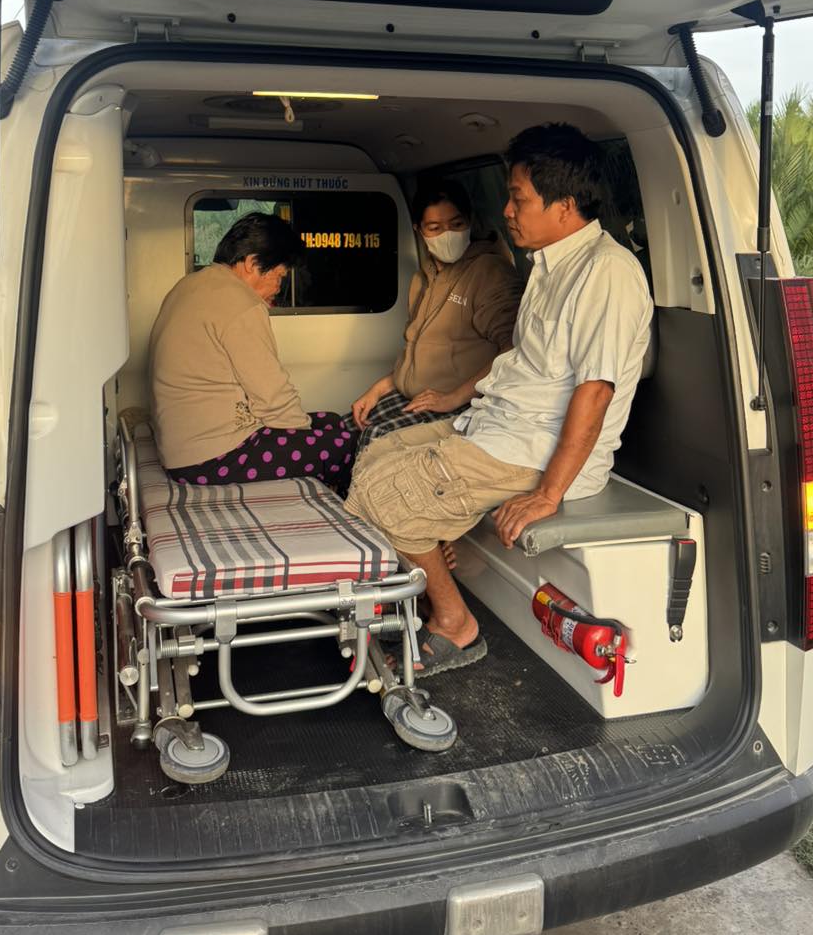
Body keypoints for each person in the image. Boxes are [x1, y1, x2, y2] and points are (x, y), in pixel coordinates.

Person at [346, 123, 653, 674]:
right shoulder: (547, 265)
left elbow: (596, 391)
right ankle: (427, 569)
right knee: (372, 460)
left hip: (535, 449)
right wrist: (454, 399)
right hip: (495, 424)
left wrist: (549, 493)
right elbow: (516, 358)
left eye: (518, 199)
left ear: (565, 205)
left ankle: (455, 624)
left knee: (385, 499)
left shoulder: (606, 273)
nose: (507, 212)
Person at [148, 212, 355, 492]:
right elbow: (273, 397)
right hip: (212, 456)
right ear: (252, 263)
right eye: (279, 276)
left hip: (181, 448)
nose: (279, 287)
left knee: (331, 421)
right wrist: (307, 441)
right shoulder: (241, 303)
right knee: (344, 446)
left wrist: (310, 435)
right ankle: (340, 511)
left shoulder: (189, 285)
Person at [350, 178, 521, 451]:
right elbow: (418, 355)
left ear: (470, 221)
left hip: (462, 403)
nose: (447, 234)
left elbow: (513, 349)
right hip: (415, 396)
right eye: (435, 228)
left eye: (456, 224)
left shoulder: (489, 272)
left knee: (376, 441)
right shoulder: (423, 278)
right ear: (419, 230)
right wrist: (378, 390)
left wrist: (453, 398)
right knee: (348, 430)